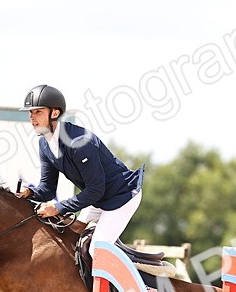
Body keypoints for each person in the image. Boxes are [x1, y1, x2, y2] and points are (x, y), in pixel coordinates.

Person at [15, 84, 143, 248]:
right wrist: (28, 192)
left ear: (55, 113)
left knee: (98, 247)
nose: (32, 118)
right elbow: (48, 188)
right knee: (72, 239)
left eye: (38, 111)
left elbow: (96, 189)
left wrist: (59, 207)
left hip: (122, 195)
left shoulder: (78, 142)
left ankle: (136, 269)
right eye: (30, 112)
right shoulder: (44, 144)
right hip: (98, 198)